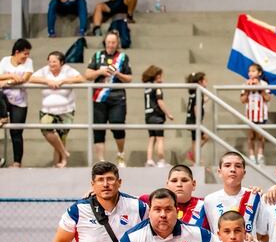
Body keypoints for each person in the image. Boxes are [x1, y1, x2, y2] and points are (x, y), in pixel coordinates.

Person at [28, 51, 84, 168]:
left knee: (61, 137)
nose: (51, 64)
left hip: (66, 110)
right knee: (46, 129)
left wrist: (63, 81)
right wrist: (47, 81)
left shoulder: (68, 70)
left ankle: (59, 163)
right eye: (50, 61)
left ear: (61, 62)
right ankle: (64, 154)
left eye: (54, 61)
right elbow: (31, 78)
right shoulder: (44, 70)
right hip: (47, 110)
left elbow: (80, 78)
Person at [84, 30, 132, 166]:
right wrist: (100, 71)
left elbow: (129, 78)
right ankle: (101, 161)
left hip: (117, 97)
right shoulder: (97, 56)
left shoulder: (123, 57)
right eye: (109, 42)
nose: (111, 45)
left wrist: (117, 74)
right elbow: (87, 75)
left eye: (113, 42)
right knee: (98, 129)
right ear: (105, 42)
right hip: (99, 97)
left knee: (118, 126)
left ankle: (120, 154)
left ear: (117, 43)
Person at [0, 39, 33, 167]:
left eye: (28, 53)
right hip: (4, 99)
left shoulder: (28, 62)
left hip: (19, 101)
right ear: (17, 52)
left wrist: (7, 81)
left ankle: (17, 163)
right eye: (25, 53)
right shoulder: (5, 61)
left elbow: (24, 78)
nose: (26, 56)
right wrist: (13, 76)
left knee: (16, 132)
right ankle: (3, 116)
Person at [142, 66, 174, 167]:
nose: (161, 78)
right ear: (155, 76)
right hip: (157, 116)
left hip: (148, 116)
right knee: (160, 139)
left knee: (152, 138)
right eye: (160, 76)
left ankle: (149, 160)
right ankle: (161, 160)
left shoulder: (147, 88)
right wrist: (168, 114)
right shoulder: (157, 88)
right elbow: (160, 102)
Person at [240, 63, 271, 165]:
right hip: (250, 114)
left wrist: (260, 88)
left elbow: (267, 98)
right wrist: (247, 90)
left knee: (261, 135)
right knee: (251, 136)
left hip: (261, 114)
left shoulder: (264, 84)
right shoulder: (245, 84)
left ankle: (260, 155)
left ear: (259, 73)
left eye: (253, 71)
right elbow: (243, 100)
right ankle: (252, 156)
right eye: (249, 71)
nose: (250, 73)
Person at [185, 71, 209, 162]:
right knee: (202, 138)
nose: (207, 82)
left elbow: (198, 103)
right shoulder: (198, 93)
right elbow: (196, 107)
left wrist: (207, 98)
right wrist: (199, 122)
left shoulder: (194, 93)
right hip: (195, 121)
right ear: (200, 82)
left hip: (191, 120)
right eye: (205, 80)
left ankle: (193, 156)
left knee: (195, 140)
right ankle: (194, 156)